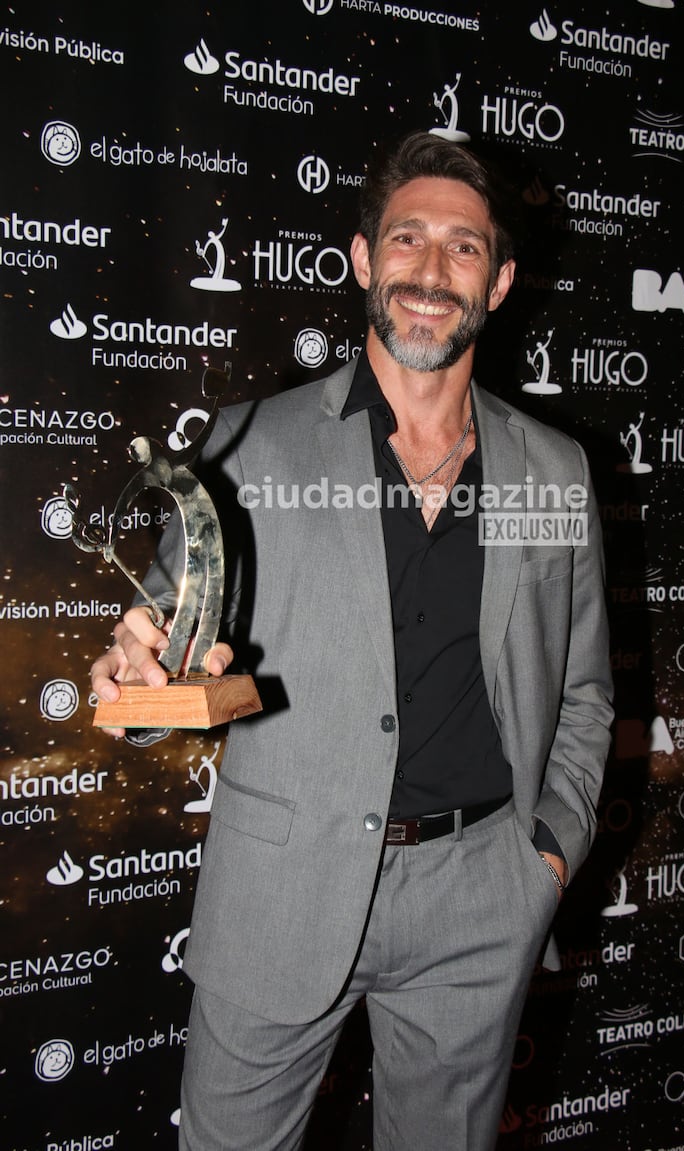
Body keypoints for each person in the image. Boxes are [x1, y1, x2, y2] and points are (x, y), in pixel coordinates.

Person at [91, 131, 613, 1151]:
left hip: (481, 896)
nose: (430, 270)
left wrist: (545, 854)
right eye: (406, 239)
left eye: (463, 249)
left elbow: (585, 692)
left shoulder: (551, 471)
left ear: (499, 280)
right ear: (365, 259)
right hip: (281, 893)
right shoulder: (253, 444)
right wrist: (132, 671)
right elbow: (165, 637)